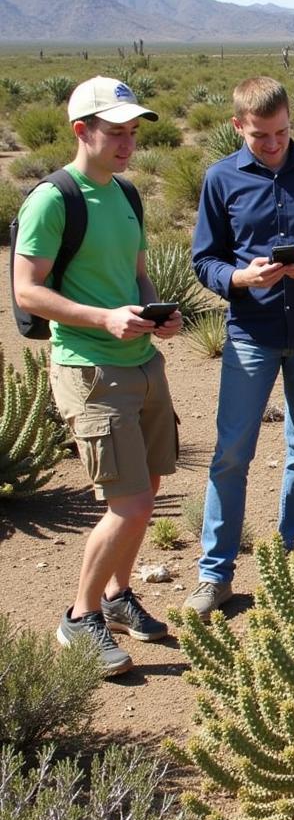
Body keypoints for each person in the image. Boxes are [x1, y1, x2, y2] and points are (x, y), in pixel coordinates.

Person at [12, 76, 182, 675]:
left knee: (149, 490)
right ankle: (78, 617)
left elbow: (137, 273)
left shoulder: (127, 195)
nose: (127, 144)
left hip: (141, 361)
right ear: (81, 131)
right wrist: (102, 318)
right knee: (129, 503)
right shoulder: (53, 199)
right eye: (116, 132)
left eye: (133, 133)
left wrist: (156, 311)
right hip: (89, 367)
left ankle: (116, 596)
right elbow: (27, 291)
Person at [186, 77, 294, 620]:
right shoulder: (221, 179)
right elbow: (204, 259)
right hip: (251, 336)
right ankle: (215, 575)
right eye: (261, 135)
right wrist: (240, 278)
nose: (273, 143)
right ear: (239, 125)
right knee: (231, 455)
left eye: (282, 132)